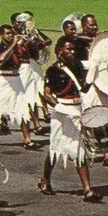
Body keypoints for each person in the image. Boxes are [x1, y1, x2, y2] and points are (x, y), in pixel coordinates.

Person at [37, 37, 103, 202]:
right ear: (60, 50)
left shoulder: (77, 66)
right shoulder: (53, 70)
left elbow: (84, 89)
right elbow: (46, 94)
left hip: (77, 108)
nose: (72, 52)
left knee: (78, 148)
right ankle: (45, 179)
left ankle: (87, 190)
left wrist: (94, 73)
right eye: (69, 49)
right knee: (56, 146)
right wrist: (59, 107)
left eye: (73, 49)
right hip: (62, 112)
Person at [73, 14, 108, 169]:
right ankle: (85, 151)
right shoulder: (78, 42)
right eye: (90, 25)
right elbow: (78, 65)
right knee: (88, 117)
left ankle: (107, 154)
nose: (94, 28)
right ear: (83, 26)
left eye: (95, 25)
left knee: (106, 116)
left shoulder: (101, 41)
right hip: (88, 86)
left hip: (102, 85)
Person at [0, 25, 41, 149]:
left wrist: (31, 44)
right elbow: (1, 58)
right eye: (7, 33)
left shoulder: (18, 47)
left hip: (17, 79)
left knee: (22, 109)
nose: (10, 35)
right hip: (3, 81)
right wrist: (13, 44)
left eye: (11, 33)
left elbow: (35, 56)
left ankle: (27, 140)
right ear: (1, 35)